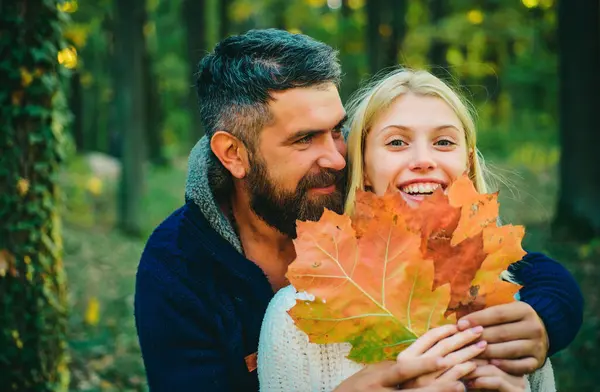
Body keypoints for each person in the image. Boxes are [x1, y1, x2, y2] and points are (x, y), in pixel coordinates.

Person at [134, 29, 583, 392]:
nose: (335, 156)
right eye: (304, 138)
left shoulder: (354, 193)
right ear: (233, 154)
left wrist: (548, 314)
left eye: (337, 130)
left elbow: (514, 266)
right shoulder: (177, 269)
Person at [257, 69, 560, 392]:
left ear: (468, 164)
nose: (423, 159)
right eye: (397, 142)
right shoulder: (295, 315)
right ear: (365, 166)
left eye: (444, 142)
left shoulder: (513, 307)